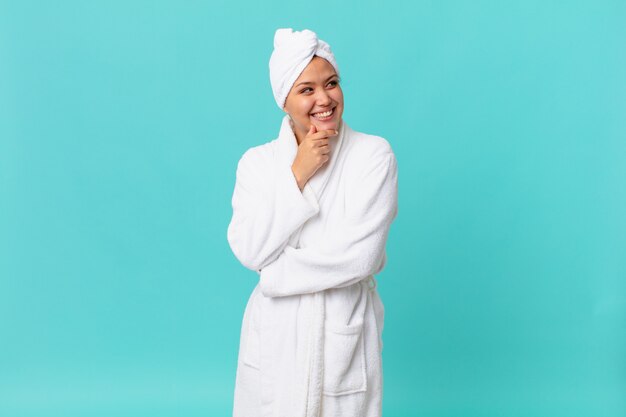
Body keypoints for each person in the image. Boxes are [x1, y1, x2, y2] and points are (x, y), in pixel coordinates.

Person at [227, 27, 399, 417]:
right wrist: (297, 176)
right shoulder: (257, 164)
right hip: (275, 335)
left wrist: (273, 275)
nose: (324, 99)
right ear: (283, 100)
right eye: (307, 90)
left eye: (332, 84)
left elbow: (359, 258)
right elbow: (248, 248)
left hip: (342, 334)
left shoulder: (373, 156)